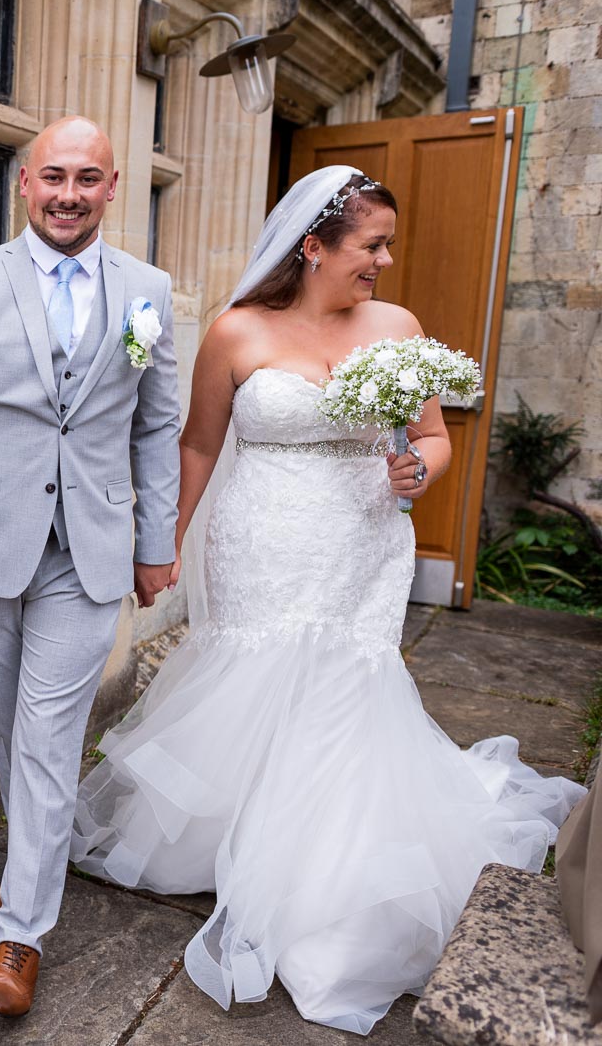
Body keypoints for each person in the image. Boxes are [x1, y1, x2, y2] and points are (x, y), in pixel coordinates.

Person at [70, 165, 585, 1034]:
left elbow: (429, 435)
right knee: (256, 681)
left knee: (344, 690)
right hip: (262, 536)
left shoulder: (397, 327)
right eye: (370, 245)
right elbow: (197, 446)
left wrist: (419, 468)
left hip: (361, 540)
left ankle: (316, 874)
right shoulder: (237, 332)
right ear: (314, 245)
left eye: (386, 245)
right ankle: (238, 837)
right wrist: (158, 545)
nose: (384, 261)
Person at [0, 116, 182, 1017]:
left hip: (88, 553)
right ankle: (29, 867)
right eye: (54, 175)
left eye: (88, 178)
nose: (69, 193)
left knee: (52, 738)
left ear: (111, 186)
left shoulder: (149, 293)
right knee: (13, 732)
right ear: (26, 183)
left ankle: (20, 933)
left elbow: (156, 425)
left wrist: (155, 541)